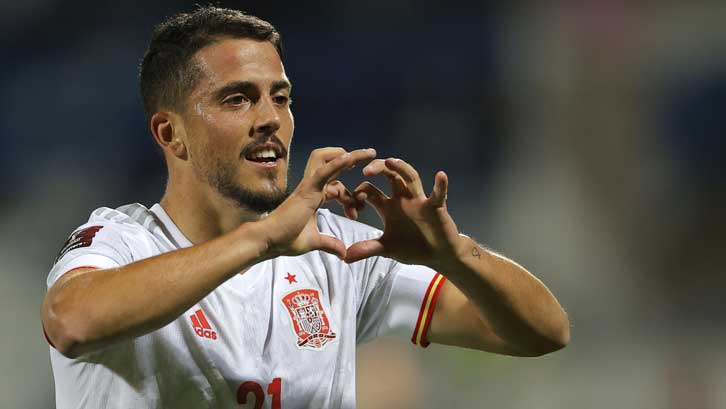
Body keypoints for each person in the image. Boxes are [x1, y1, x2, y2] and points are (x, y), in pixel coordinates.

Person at [40, 6, 569, 409]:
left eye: (281, 97)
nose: (270, 117)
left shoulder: (334, 250)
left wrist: (455, 254)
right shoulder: (121, 241)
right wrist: (264, 238)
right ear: (170, 133)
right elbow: (72, 321)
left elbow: (542, 332)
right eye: (238, 98)